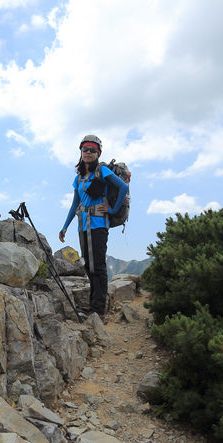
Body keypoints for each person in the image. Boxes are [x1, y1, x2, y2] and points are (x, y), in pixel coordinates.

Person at [58, 134, 129, 320]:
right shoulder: (80, 177)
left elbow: (123, 187)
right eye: (85, 149)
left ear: (98, 153)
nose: (88, 152)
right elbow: (75, 204)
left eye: (92, 150)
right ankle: (93, 305)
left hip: (98, 224)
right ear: (81, 152)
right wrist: (65, 226)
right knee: (89, 266)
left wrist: (112, 210)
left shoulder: (103, 171)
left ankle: (98, 310)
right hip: (83, 225)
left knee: (98, 265)